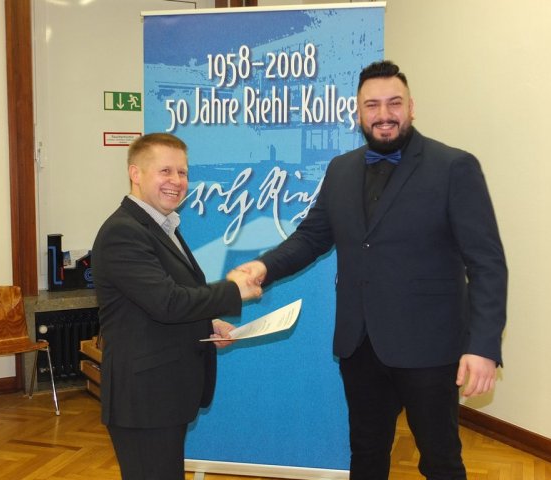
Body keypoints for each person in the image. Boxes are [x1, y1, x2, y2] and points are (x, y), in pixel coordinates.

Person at [234, 61, 507, 480]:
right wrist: (263, 266)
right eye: (372, 105)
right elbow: (311, 237)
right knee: (365, 452)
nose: (384, 114)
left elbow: (487, 263)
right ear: (358, 112)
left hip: (430, 349)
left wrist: (483, 346)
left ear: (411, 107)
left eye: (394, 103)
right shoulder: (340, 169)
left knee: (441, 461)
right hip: (360, 345)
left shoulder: (454, 167)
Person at [92, 132, 261, 480]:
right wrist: (233, 290)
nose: (177, 181)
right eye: (165, 171)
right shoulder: (123, 232)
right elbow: (167, 303)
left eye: (182, 172)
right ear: (135, 173)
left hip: (164, 394)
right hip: (144, 400)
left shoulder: (162, 226)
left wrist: (208, 324)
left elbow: (157, 304)